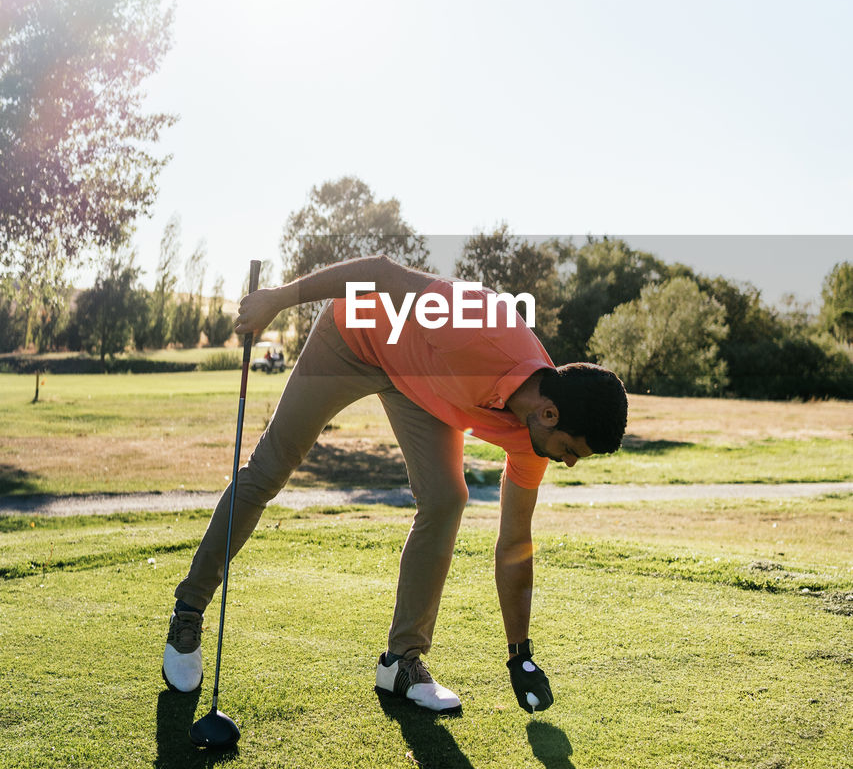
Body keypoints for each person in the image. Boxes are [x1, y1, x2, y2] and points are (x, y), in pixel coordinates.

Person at [163, 255, 627, 713]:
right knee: (270, 467)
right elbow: (383, 273)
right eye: (570, 450)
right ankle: (189, 610)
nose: (566, 462)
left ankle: (401, 663)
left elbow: (514, 544)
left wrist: (519, 655)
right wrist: (278, 300)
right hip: (354, 337)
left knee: (446, 497)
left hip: (420, 383)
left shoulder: (533, 440)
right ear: (550, 414)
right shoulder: (476, 325)